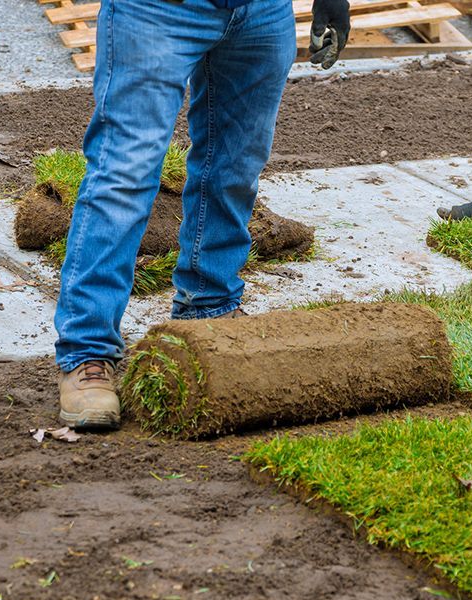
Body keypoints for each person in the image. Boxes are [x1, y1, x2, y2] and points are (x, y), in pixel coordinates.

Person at [54, 0, 350, 429]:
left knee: (235, 166)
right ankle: (88, 353)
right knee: (125, 174)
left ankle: (209, 308)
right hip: (156, 10)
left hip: (262, 11)